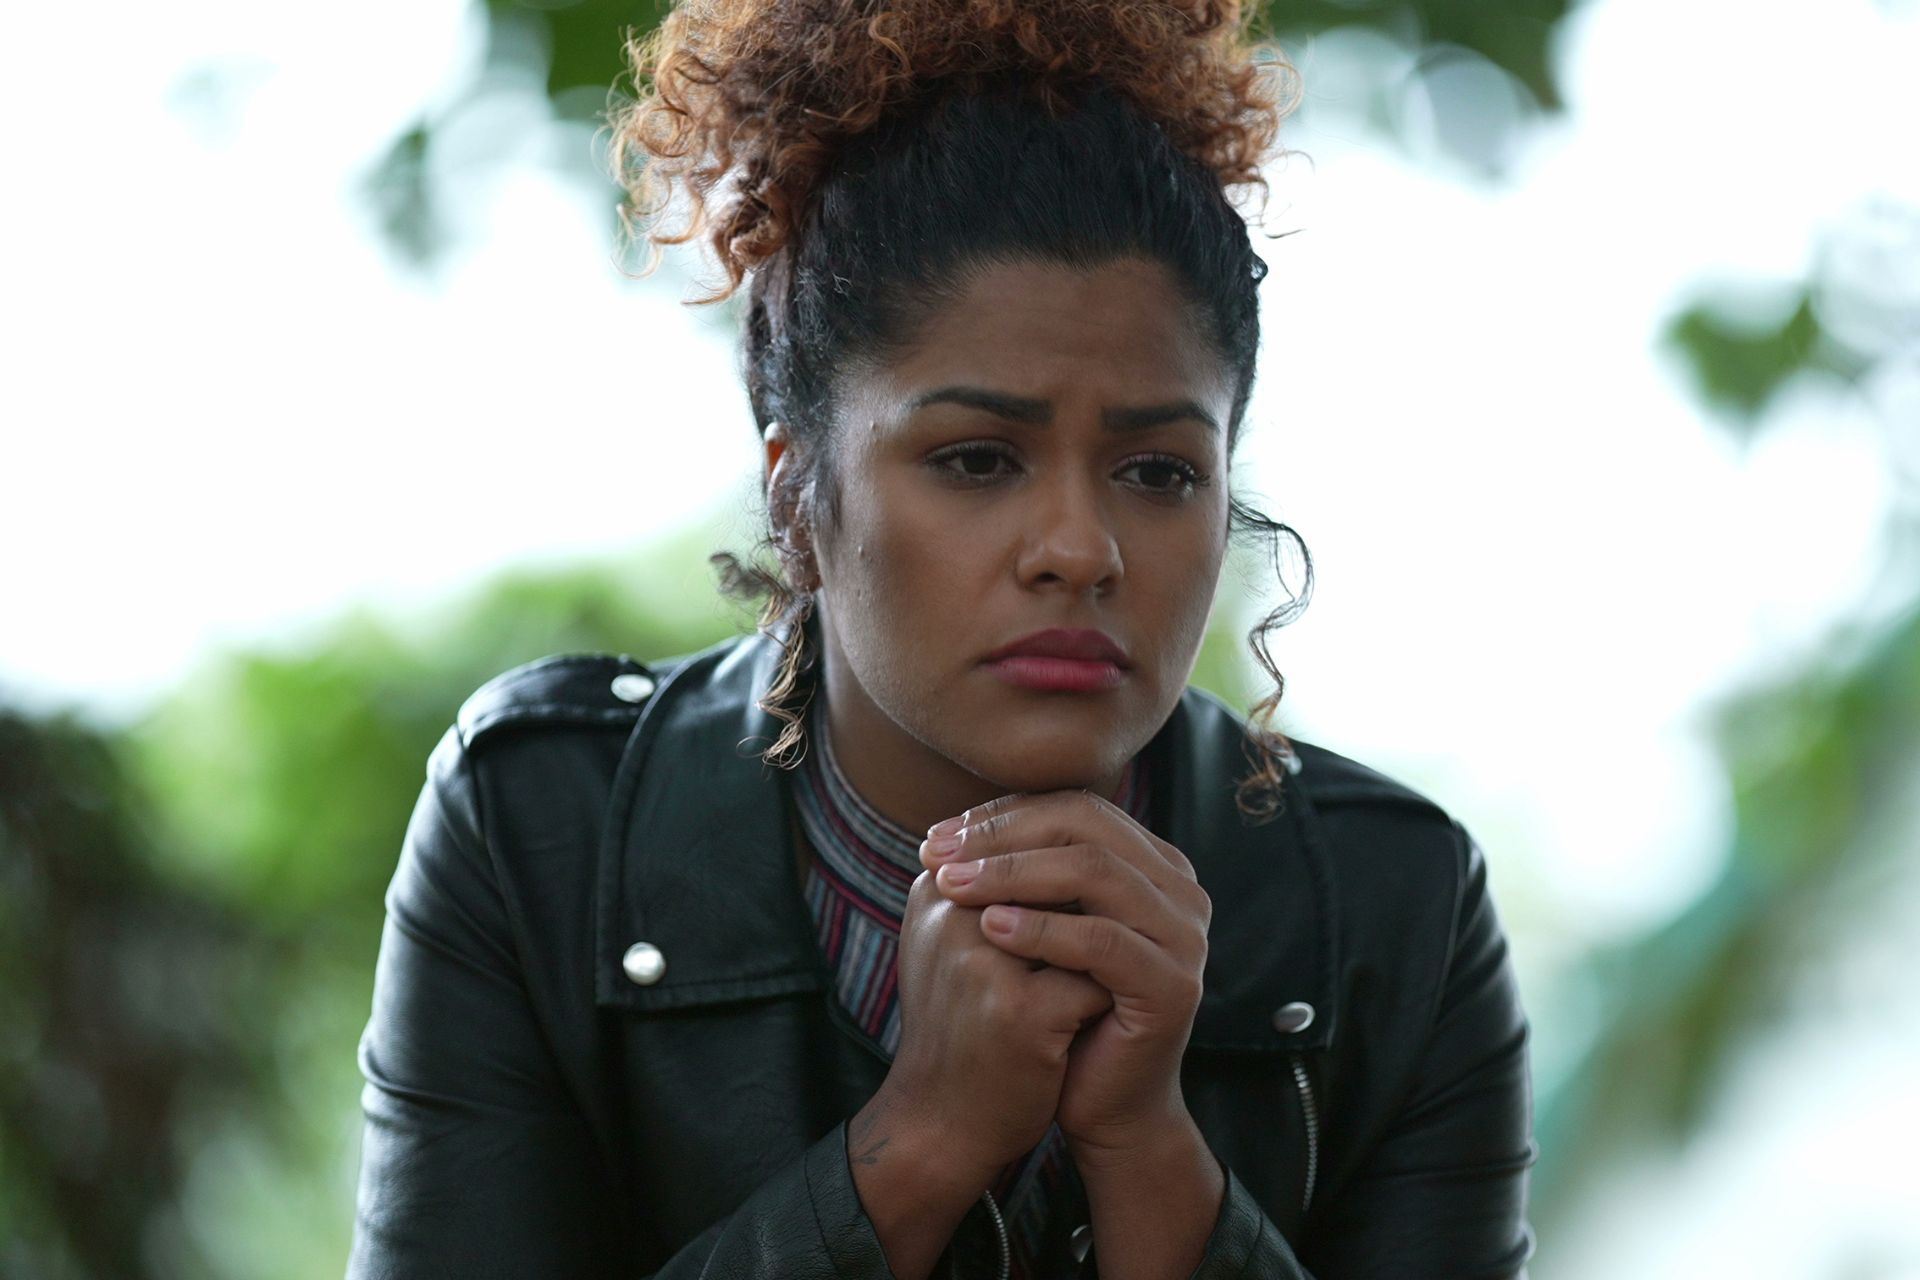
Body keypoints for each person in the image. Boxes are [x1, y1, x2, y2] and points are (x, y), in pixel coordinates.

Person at [346, 1, 1537, 1276]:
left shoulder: (1398, 911)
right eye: (976, 458)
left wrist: (1148, 1151)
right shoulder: (537, 828)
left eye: (1158, 471)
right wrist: (921, 1140)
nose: (1080, 547)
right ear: (799, 499)